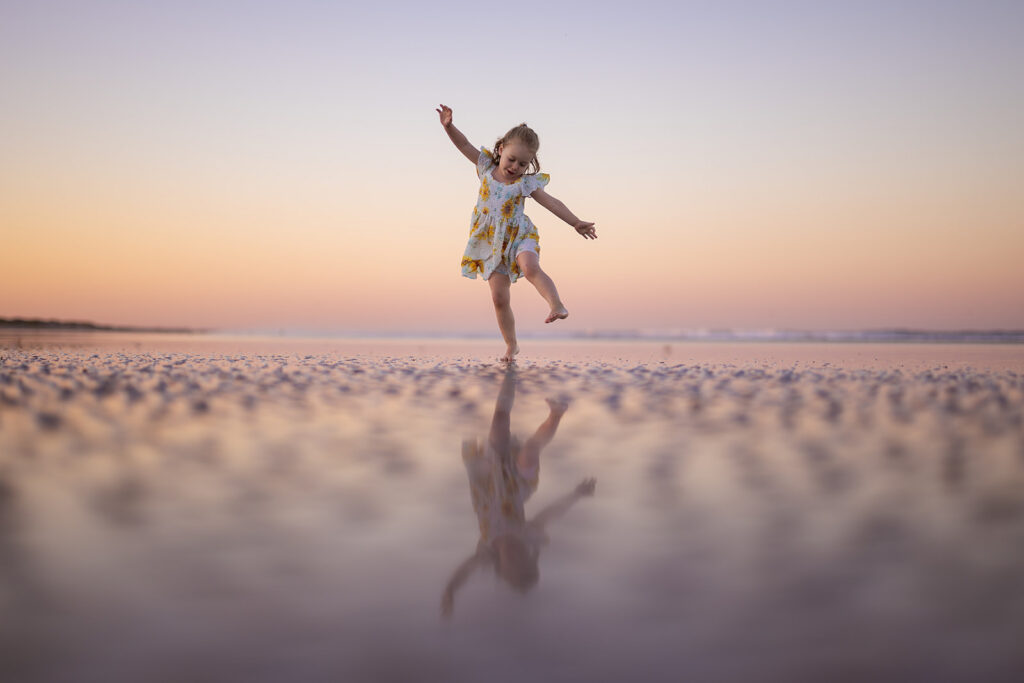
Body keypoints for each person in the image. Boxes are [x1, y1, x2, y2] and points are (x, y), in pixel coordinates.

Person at [437, 104, 597, 362]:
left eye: (523, 163)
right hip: (491, 242)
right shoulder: (486, 168)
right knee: (499, 299)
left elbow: (552, 202)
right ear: (501, 150)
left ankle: (556, 305)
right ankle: (512, 345)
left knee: (531, 267)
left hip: (519, 235)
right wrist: (449, 126)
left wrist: (575, 222)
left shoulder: (525, 183)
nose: (515, 167)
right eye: (512, 159)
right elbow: (464, 145)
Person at [441, 366, 596, 618]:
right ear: (529, 556)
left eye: (513, 563)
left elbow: (465, 570)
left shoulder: (487, 553)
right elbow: (549, 514)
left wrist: (451, 589)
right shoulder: (528, 535)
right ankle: (556, 413)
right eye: (524, 559)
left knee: (499, 424)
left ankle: (507, 376)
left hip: (487, 481)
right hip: (516, 486)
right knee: (531, 449)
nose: (517, 555)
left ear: (500, 567)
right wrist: (576, 494)